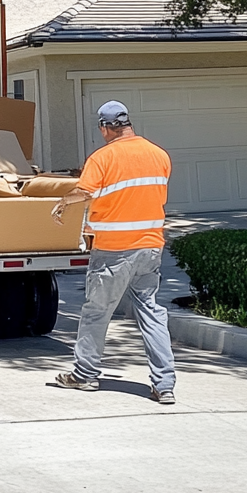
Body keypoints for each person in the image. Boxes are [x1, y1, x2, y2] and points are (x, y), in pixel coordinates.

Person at [50, 100, 177, 404]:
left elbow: (85, 191)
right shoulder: (159, 155)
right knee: (151, 313)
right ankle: (164, 384)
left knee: (96, 313)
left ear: (105, 128)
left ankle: (84, 375)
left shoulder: (103, 157)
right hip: (150, 247)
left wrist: (62, 202)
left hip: (114, 251)